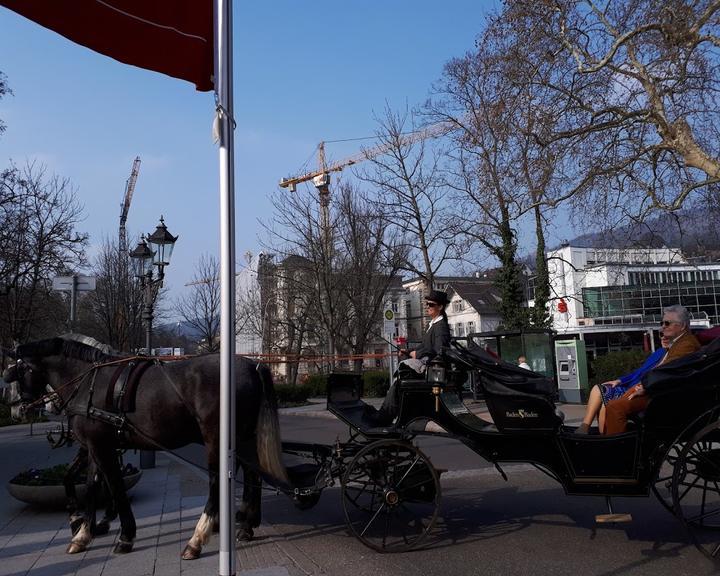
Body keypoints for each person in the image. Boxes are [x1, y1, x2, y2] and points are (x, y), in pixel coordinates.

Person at [586, 304, 700, 435]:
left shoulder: (686, 345)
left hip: (662, 395)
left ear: (683, 326)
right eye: (662, 322)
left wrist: (645, 387)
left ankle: (615, 450)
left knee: (615, 407)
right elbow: (648, 370)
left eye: (667, 323)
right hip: (655, 389)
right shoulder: (677, 344)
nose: (663, 326)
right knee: (609, 402)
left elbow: (668, 371)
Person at [371, 290, 452, 425]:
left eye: (431, 305)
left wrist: (417, 354)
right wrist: (408, 351)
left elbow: (440, 350)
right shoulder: (434, 324)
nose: (427, 307)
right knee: (400, 379)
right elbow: (425, 346)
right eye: (427, 304)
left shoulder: (440, 326)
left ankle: (385, 415)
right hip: (428, 365)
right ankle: (387, 413)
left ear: (440, 307)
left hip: (432, 370)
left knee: (399, 381)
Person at [575, 336, 670, 434]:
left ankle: (603, 436)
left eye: (666, 336)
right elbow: (638, 372)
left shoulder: (675, 356)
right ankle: (586, 427)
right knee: (599, 389)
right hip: (630, 386)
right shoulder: (660, 352)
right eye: (661, 335)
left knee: (605, 400)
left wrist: (645, 386)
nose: (663, 338)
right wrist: (619, 380)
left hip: (642, 392)